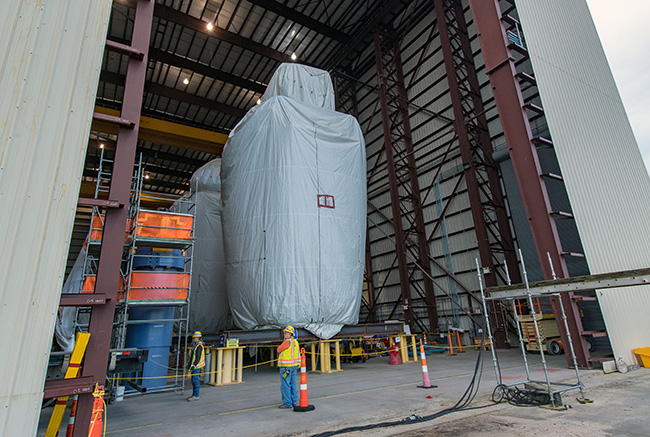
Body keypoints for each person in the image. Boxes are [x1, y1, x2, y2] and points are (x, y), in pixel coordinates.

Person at [276, 325, 300, 409]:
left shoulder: (287, 342)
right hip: (293, 366)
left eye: (286, 333)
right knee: (292, 383)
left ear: (290, 334)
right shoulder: (296, 342)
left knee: (285, 384)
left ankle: (287, 403)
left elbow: (279, 350)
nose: (284, 334)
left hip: (286, 367)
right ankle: (294, 401)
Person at [186, 331, 205, 402]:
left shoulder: (199, 346)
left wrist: (194, 365)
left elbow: (198, 357)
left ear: (198, 338)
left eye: (194, 337)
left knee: (195, 381)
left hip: (197, 367)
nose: (193, 339)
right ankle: (194, 394)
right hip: (195, 366)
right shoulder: (196, 345)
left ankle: (196, 395)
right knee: (193, 381)